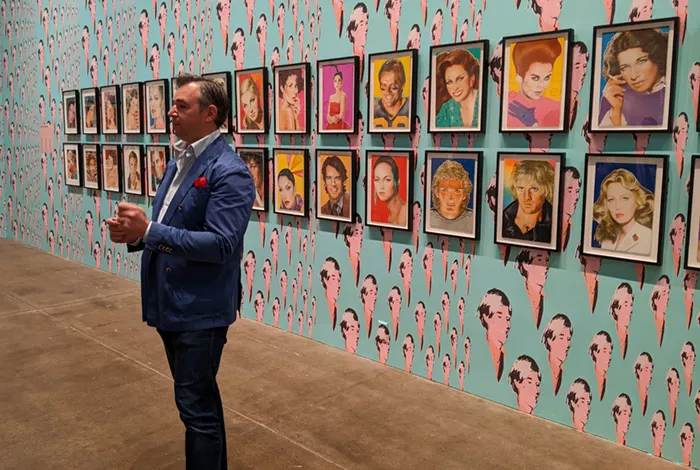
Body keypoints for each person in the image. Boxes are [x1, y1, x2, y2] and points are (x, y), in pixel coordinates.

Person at [107, 74, 256, 470]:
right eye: (173, 104)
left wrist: (149, 231)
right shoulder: (179, 161)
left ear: (210, 114)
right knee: (199, 405)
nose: (171, 112)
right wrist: (135, 235)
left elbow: (220, 244)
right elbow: (168, 225)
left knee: (197, 411)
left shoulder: (230, 171)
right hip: (172, 304)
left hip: (200, 311)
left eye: (182, 105)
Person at [599, 28, 669, 128]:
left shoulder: (671, 91)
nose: (634, 75)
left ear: (657, 57)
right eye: (625, 67)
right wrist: (616, 110)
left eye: (641, 61)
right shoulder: (614, 97)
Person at [592, 168, 654, 255]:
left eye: (625, 198)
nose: (617, 207)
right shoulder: (606, 239)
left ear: (638, 200)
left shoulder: (649, 238)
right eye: (611, 200)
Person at [507, 38, 562, 129]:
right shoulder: (505, 105)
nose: (541, 86)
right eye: (535, 78)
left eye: (547, 78)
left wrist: (533, 125)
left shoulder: (555, 107)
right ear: (519, 77)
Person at [501, 159, 555, 242]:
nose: (527, 197)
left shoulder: (554, 223)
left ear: (547, 190)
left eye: (534, 189)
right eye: (521, 188)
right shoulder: (503, 218)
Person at [434, 48, 480, 128]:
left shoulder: (483, 101)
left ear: (472, 78)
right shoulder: (446, 109)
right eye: (449, 82)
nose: (455, 88)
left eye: (460, 79)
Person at [429, 160, 474, 233]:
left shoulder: (473, 220)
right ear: (437, 193)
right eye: (444, 190)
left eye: (457, 191)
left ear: (464, 195)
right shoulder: (427, 218)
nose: (450, 198)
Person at [373, 58, 410, 129]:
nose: (388, 92)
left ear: (402, 86)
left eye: (393, 87)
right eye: (383, 88)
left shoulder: (409, 106)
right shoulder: (373, 107)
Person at [372, 155, 407, 226]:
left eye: (387, 180)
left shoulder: (404, 212)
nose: (381, 186)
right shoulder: (391, 215)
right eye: (377, 180)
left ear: (397, 182)